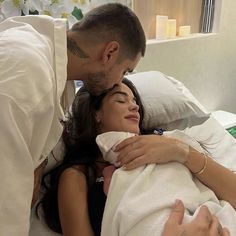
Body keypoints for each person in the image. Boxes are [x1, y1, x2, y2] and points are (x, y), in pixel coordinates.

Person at [0, 3, 145, 235]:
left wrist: (37, 164)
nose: (120, 82)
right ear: (110, 53)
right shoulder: (26, 80)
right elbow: (5, 212)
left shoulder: (50, 62)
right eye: (125, 71)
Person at [39, 78, 232, 236]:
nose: (134, 107)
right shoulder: (78, 175)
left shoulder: (169, 141)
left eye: (135, 102)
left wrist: (181, 152)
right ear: (95, 113)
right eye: (121, 100)